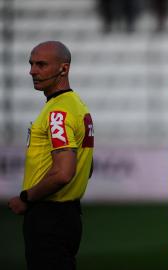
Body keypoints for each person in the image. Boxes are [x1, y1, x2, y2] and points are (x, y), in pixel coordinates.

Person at [7, 41, 94, 270]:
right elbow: (88, 165)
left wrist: (26, 198)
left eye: (41, 64)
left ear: (63, 69)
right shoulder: (77, 106)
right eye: (32, 64)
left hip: (49, 216)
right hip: (69, 216)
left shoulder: (57, 112)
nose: (32, 71)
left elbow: (64, 173)